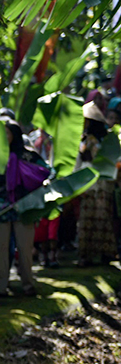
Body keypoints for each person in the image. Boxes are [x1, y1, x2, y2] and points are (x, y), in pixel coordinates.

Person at [0, 120, 49, 296]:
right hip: (1, 209)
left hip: (25, 208)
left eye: (7, 133)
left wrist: (44, 183)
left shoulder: (29, 156)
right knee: (0, 248)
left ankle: (28, 284)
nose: (4, 137)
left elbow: (46, 171)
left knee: (25, 248)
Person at [76, 102, 117, 266]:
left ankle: (105, 253)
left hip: (103, 185)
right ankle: (85, 255)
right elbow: (78, 163)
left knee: (103, 219)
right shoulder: (83, 140)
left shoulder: (107, 140)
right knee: (86, 221)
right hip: (88, 185)